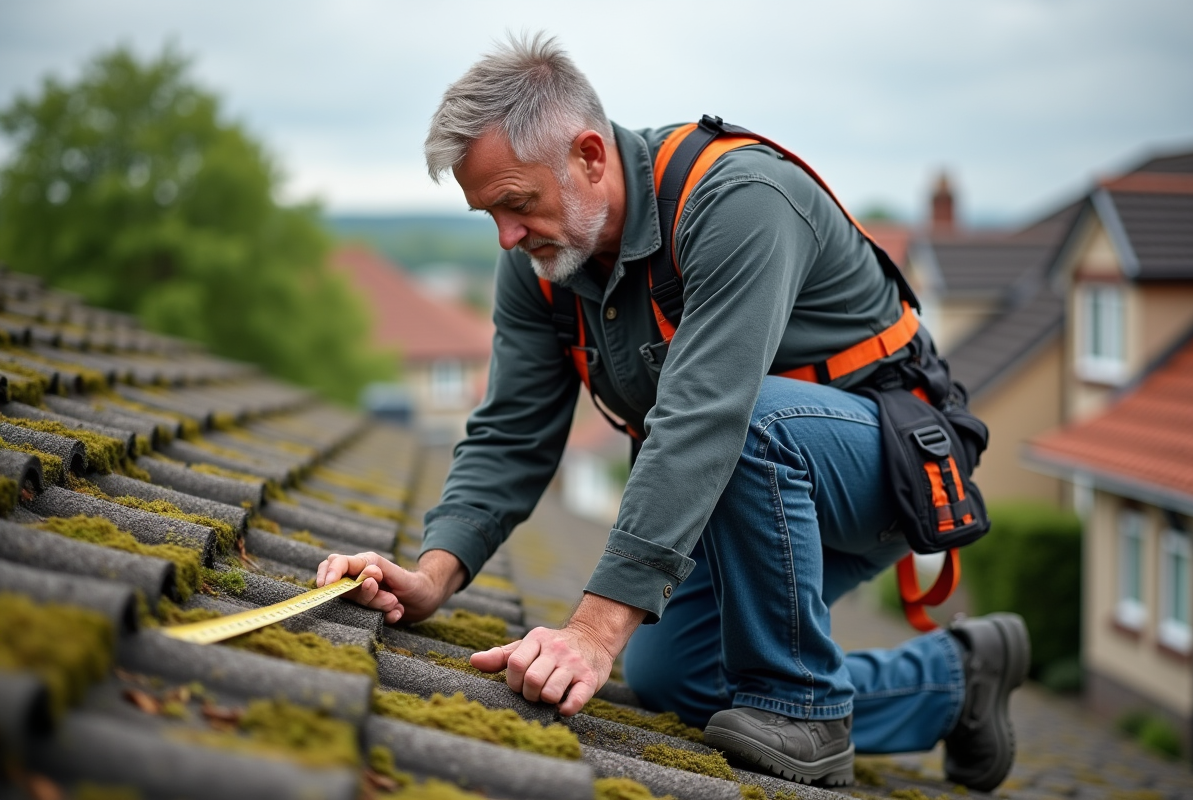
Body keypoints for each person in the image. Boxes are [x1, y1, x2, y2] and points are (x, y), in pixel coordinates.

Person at [317, 33, 1029, 791]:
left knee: (748, 425)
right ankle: (955, 681)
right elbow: (511, 434)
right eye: (489, 213)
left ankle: (807, 708)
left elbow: (704, 416)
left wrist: (592, 633)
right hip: (753, 492)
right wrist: (434, 574)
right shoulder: (543, 265)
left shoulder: (737, 202)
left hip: (882, 463)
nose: (506, 236)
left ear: (590, 156)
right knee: (675, 682)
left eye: (517, 205)